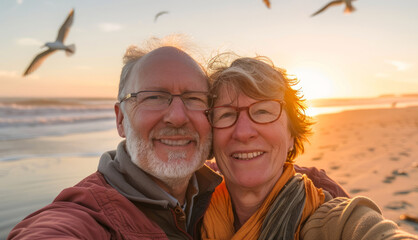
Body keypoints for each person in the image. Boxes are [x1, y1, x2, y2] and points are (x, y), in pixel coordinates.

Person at [8, 37, 347, 240]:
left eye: (194, 99)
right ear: (120, 119)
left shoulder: (217, 192)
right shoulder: (90, 212)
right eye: (154, 96)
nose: (177, 116)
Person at [201, 54, 418, 240]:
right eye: (226, 114)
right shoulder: (188, 203)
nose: (243, 132)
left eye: (263, 112)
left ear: (291, 134)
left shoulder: (325, 211)